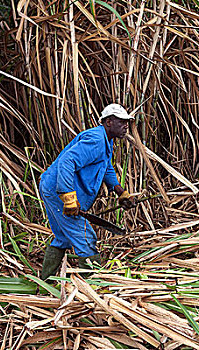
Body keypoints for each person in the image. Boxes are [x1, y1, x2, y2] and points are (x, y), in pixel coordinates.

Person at [39, 103, 136, 280]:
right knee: (85, 237)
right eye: (121, 122)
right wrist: (68, 197)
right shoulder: (96, 140)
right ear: (108, 122)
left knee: (63, 237)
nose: (125, 126)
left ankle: (46, 283)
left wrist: (120, 192)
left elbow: (106, 167)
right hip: (56, 191)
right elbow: (66, 162)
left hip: (51, 188)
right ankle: (93, 287)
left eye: (127, 122)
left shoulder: (106, 141)